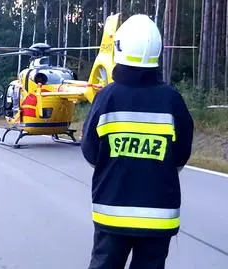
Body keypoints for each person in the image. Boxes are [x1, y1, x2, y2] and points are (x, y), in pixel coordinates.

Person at [81, 14, 194, 269]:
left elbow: (90, 153)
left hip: (112, 212)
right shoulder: (172, 100)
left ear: (119, 47)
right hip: (159, 218)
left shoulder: (107, 97)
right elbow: (181, 156)